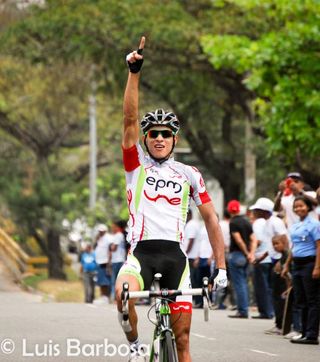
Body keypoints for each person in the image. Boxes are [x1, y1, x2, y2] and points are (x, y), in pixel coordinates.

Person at [115, 37, 227, 362]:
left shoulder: (189, 173)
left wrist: (221, 268)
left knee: (183, 343)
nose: (160, 138)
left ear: (174, 139)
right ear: (146, 139)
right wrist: (134, 72)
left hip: (177, 259)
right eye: (154, 134)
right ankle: (136, 345)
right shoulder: (135, 166)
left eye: (166, 133)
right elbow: (129, 120)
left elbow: (211, 219)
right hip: (141, 254)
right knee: (122, 296)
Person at [283, 196, 320, 345]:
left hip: (309, 263)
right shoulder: (296, 225)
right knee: (300, 299)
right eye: (296, 207)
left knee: (312, 300)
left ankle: (311, 334)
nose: (298, 209)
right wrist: (287, 264)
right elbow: (294, 247)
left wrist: (317, 267)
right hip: (296, 264)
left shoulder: (315, 224)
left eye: (301, 206)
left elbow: (319, 246)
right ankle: (304, 332)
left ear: (309, 207)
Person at [227, 200, 256, 318]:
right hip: (245, 257)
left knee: (239, 284)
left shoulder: (233, 222)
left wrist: (246, 252)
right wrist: (251, 254)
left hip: (237, 255)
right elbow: (253, 239)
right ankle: (244, 309)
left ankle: (242, 311)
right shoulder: (246, 221)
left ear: (229, 210)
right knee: (243, 282)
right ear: (239, 209)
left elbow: (238, 239)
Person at [181, 209, 201, 306]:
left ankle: (198, 300)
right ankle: (198, 301)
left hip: (191, 256)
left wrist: (185, 253)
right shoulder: (194, 224)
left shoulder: (191, 225)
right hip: (192, 255)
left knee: (193, 280)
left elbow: (191, 240)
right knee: (195, 279)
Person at [94, 224, 112, 304]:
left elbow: (110, 250)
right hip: (99, 261)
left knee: (105, 281)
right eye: (99, 231)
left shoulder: (108, 238)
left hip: (105, 262)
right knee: (101, 280)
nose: (100, 232)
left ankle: (106, 297)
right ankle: (103, 296)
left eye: (101, 231)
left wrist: (109, 262)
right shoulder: (99, 238)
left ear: (105, 231)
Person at [110, 220, 127, 300]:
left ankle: (116, 297)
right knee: (117, 280)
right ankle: (117, 297)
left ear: (117, 227)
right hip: (118, 260)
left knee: (115, 280)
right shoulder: (119, 235)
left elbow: (114, 248)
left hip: (117, 260)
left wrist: (110, 247)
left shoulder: (118, 235)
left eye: (113, 227)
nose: (112, 228)